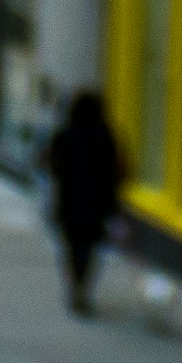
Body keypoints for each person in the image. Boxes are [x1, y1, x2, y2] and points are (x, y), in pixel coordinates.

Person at [42, 91, 127, 316]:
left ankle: (75, 286)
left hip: (69, 199)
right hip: (96, 202)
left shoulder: (65, 134)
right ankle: (82, 287)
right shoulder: (104, 135)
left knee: (72, 246)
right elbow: (116, 169)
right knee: (89, 247)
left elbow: (50, 162)